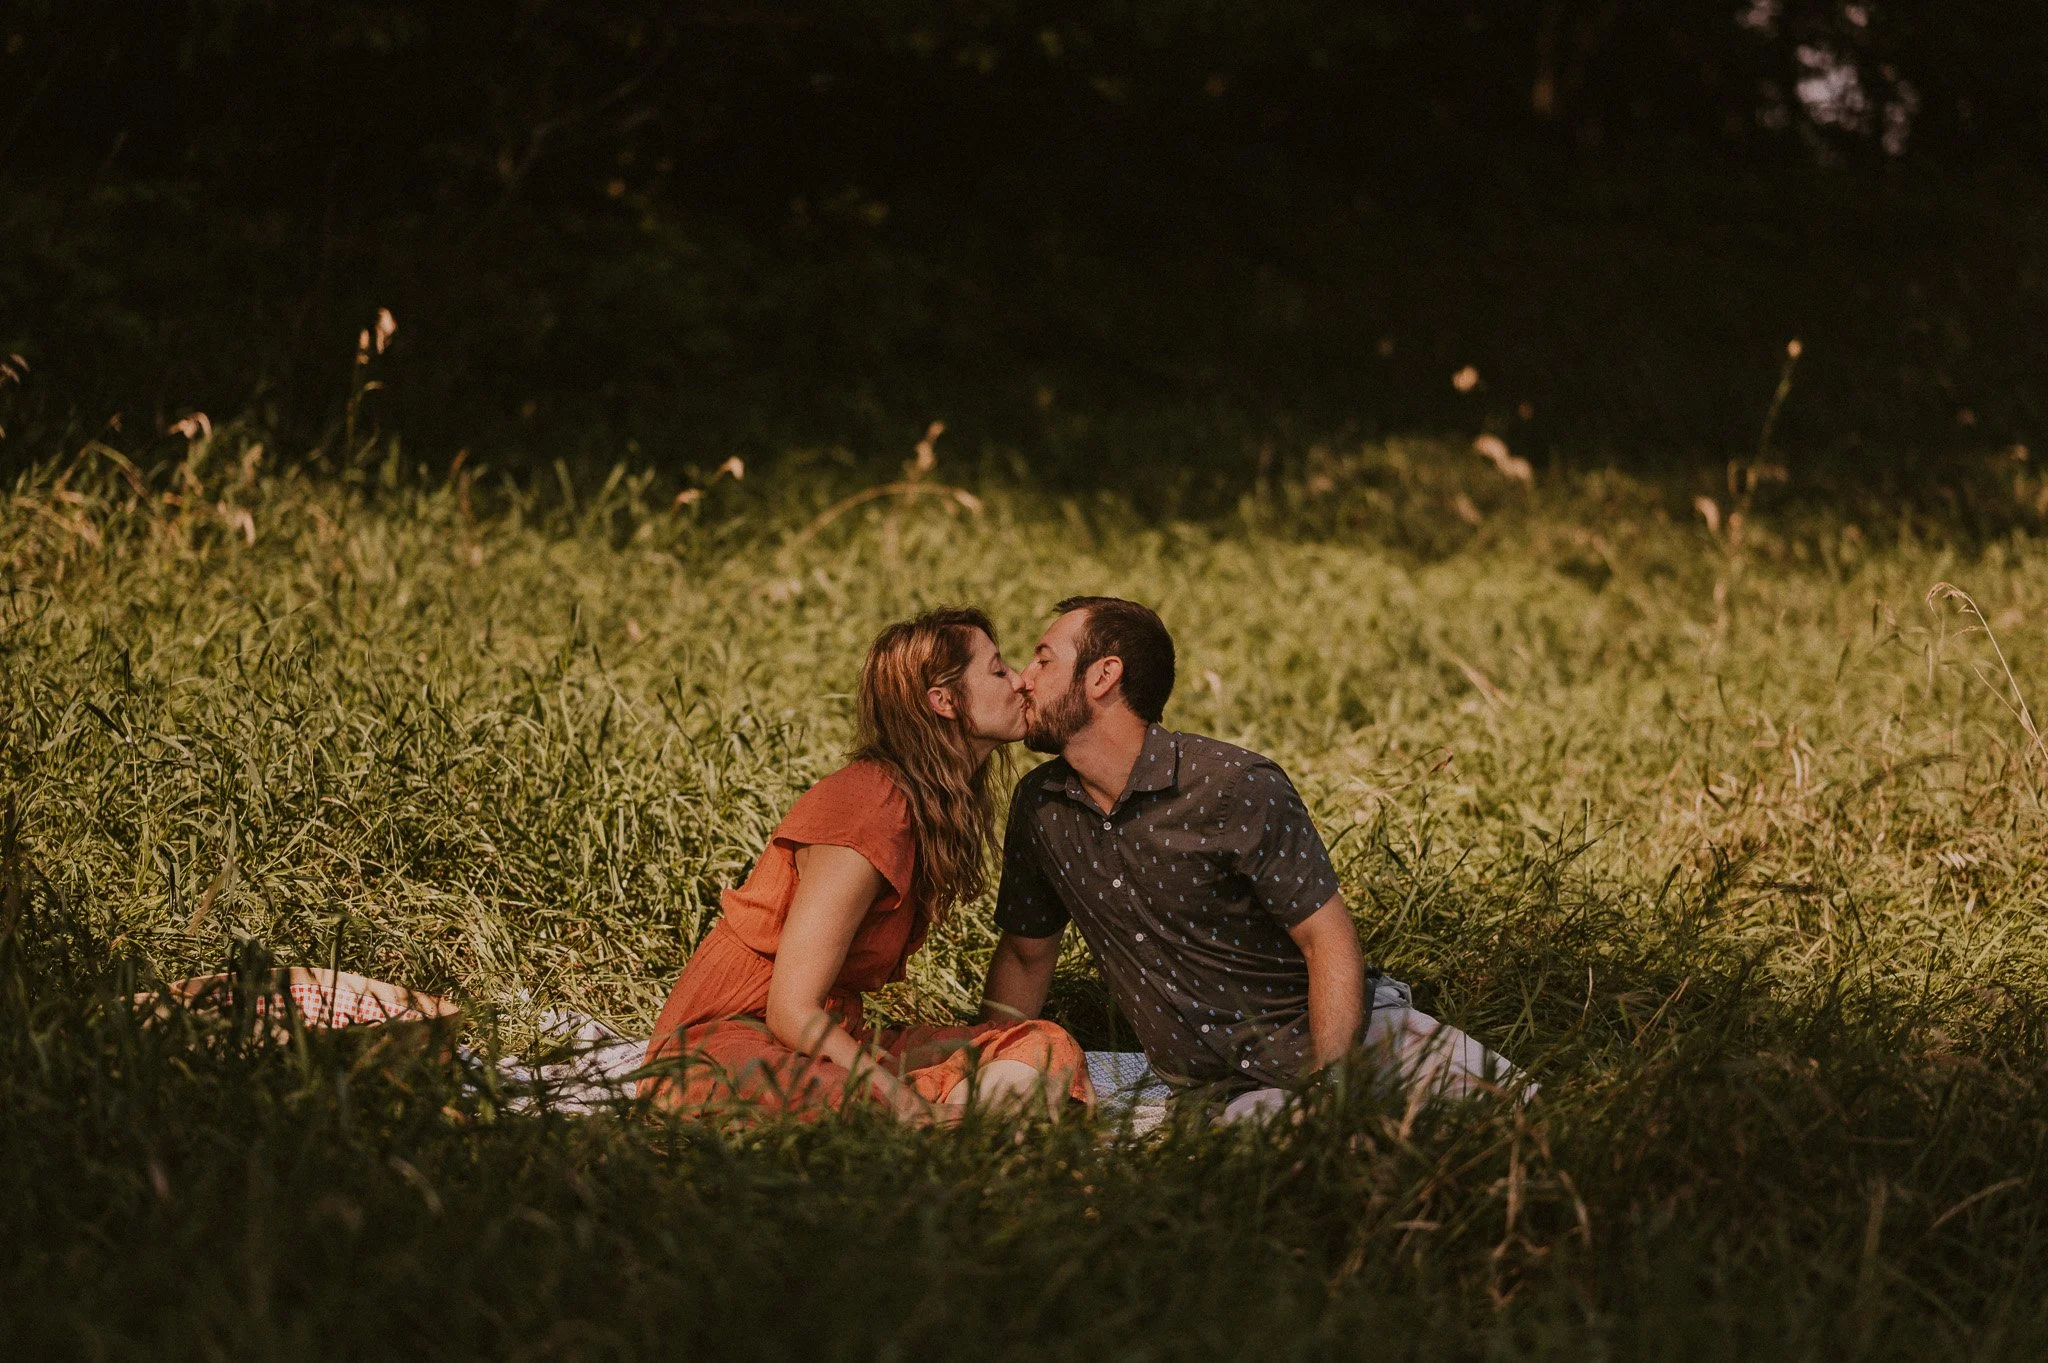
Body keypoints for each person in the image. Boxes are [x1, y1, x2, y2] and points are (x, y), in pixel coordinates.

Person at [981, 596, 1527, 1122]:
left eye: (1044, 660)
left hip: (1354, 1042)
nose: (1024, 678)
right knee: (1275, 1170)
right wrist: (983, 1068)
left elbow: (1328, 939)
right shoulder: (1042, 807)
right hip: (1225, 1091)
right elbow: (1027, 958)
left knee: (1526, 1123)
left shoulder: (1232, 786)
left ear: (1103, 677)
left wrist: (1327, 1090)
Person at [641, 608, 1092, 1123]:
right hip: (727, 1044)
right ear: (943, 702)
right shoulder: (866, 812)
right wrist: (900, 1100)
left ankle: (957, 1127)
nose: (1019, 682)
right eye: (997, 670)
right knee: (863, 1105)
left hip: (829, 1044)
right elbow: (791, 1010)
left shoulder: (927, 803)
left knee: (1042, 1043)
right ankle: (947, 1127)